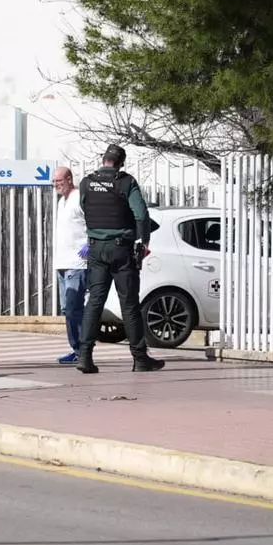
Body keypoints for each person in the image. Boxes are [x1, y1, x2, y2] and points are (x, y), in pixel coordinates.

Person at [75, 145, 165, 374]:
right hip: (121, 249)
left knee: (94, 302)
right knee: (129, 304)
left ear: (103, 159)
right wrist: (144, 241)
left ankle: (84, 356)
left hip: (95, 248)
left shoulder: (86, 182)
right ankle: (140, 359)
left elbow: (84, 208)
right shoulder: (126, 182)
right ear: (121, 163)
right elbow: (141, 215)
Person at [51, 166, 88, 364]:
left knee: (75, 308)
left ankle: (84, 351)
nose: (56, 185)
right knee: (67, 309)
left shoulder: (79, 197)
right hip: (62, 263)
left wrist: (89, 244)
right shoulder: (61, 202)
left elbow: (93, 222)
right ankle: (76, 349)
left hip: (77, 263)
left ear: (69, 179)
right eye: (53, 182)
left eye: (59, 181)